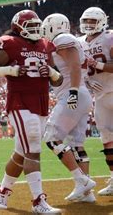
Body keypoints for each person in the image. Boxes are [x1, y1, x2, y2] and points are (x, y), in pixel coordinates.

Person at [0, 10, 62, 213]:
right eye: (30, 26)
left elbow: (59, 79)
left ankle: (2, 190)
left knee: (21, 153)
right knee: (33, 149)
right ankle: (38, 201)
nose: (35, 29)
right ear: (18, 27)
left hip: (41, 102)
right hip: (20, 102)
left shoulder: (45, 44)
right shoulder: (10, 43)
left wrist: (51, 72)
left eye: (36, 25)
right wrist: (9, 70)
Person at [41, 13, 96, 202]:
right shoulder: (69, 41)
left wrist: (72, 91)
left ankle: (82, 180)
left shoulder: (63, 39)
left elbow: (73, 65)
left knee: (51, 138)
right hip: (81, 94)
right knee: (76, 145)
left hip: (74, 94)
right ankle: (87, 193)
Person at [78, 7, 113, 196]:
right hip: (100, 97)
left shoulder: (109, 37)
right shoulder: (79, 42)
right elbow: (76, 69)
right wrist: (87, 81)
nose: (88, 24)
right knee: (107, 139)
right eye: (86, 21)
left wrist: (97, 64)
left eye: (92, 21)